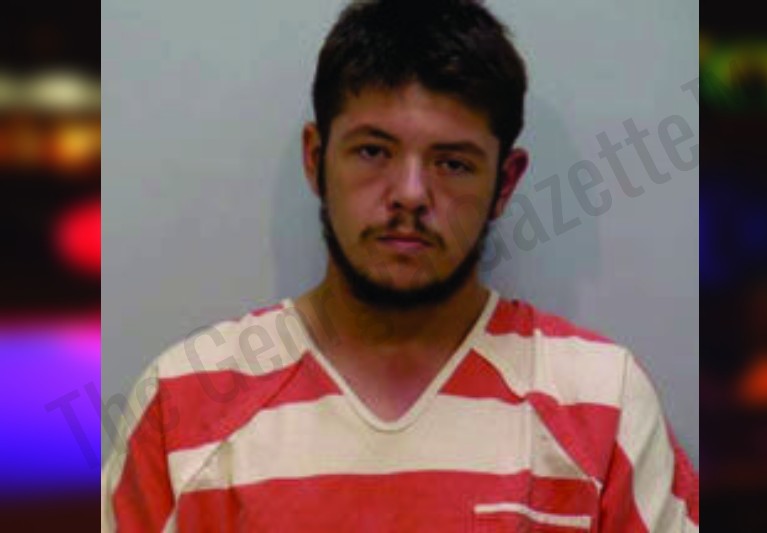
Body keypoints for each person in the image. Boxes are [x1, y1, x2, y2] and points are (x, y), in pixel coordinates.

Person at [101, 0, 699, 531]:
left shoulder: (603, 403)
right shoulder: (183, 405)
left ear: (505, 182)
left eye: (453, 163)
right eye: (373, 151)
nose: (410, 194)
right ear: (316, 159)